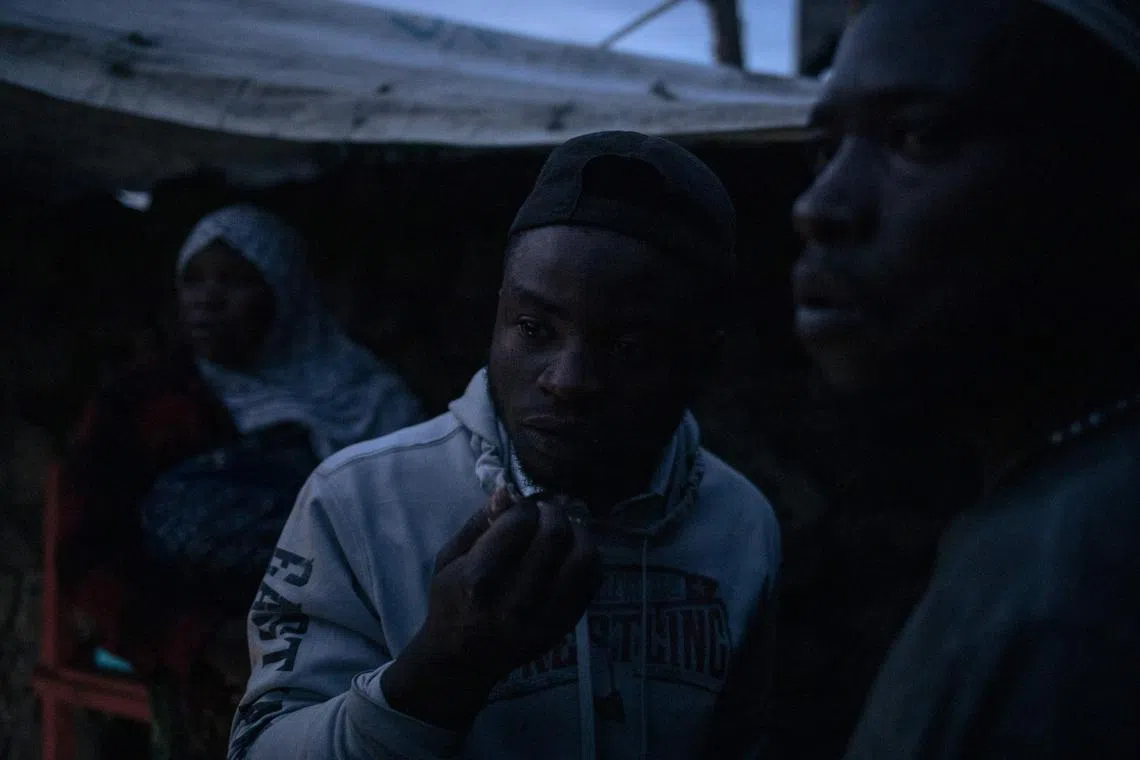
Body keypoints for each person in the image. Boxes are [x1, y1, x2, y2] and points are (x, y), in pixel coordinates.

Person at [229, 132, 781, 760]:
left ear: (702, 357)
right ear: (497, 314)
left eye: (629, 347)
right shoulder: (356, 502)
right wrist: (438, 672)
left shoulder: (741, 524)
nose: (567, 380)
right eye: (533, 327)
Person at [792, 0, 1140, 757]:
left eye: (916, 138)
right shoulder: (1042, 512)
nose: (819, 207)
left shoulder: (1077, 594)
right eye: (823, 149)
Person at [58, 204, 423, 759]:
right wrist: (200, 641)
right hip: (203, 676)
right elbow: (86, 550)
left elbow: (412, 532)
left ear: (285, 292)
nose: (208, 298)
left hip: (349, 667)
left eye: (234, 280)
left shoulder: (368, 401)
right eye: (194, 280)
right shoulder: (145, 404)